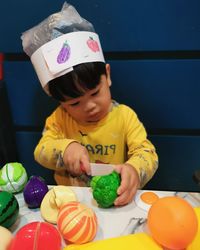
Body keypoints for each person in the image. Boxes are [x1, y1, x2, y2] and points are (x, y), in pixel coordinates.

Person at [21, 2, 158, 206]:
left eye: (95, 92)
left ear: (108, 76)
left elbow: (147, 153)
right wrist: (66, 148)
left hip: (114, 202)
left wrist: (134, 170)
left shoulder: (124, 116)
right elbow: (41, 151)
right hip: (69, 201)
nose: (90, 106)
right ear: (60, 102)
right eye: (75, 103)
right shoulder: (60, 118)